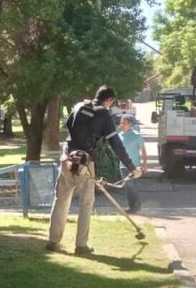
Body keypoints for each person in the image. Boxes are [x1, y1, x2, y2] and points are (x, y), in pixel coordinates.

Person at [46, 85, 141, 255]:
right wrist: (132, 167)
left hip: (66, 158)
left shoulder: (78, 107)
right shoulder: (104, 113)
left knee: (61, 200)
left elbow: (68, 126)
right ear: (109, 100)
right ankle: (81, 246)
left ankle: (53, 241)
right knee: (86, 203)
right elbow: (116, 144)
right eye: (111, 103)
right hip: (85, 163)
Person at [119, 115, 147, 213]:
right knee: (127, 187)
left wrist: (144, 164)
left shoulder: (136, 135)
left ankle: (136, 206)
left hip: (134, 166)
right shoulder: (119, 135)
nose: (121, 125)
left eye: (124, 123)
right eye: (121, 123)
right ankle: (132, 207)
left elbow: (143, 150)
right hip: (122, 166)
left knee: (132, 186)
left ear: (130, 124)